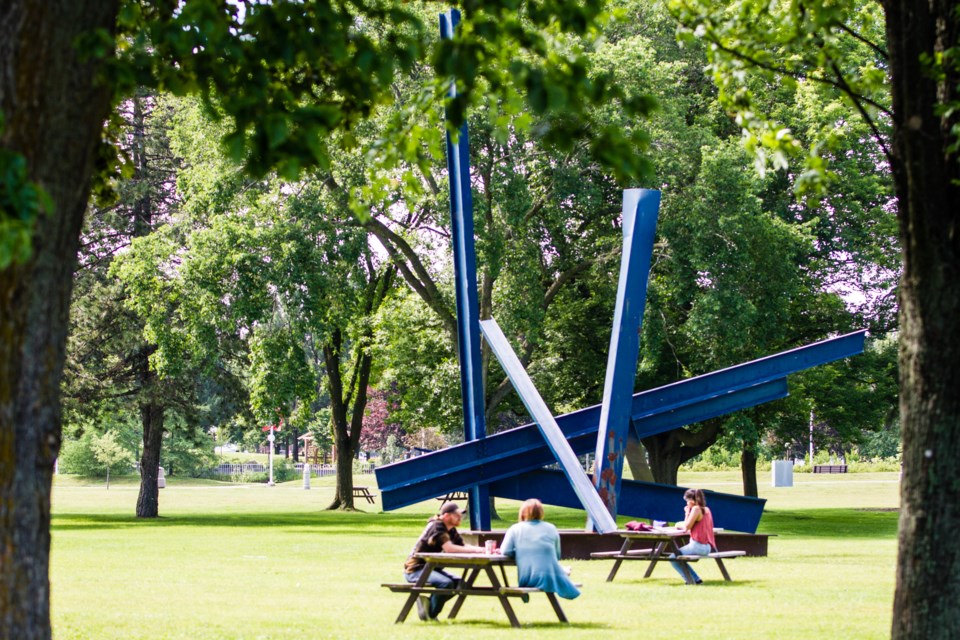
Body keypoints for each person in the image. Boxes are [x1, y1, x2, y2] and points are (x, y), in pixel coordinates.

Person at [403, 502, 485, 621]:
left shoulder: (450, 529)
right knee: (446, 584)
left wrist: (482, 550)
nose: (460, 517)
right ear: (446, 516)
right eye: (456, 515)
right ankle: (430, 615)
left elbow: (462, 546)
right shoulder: (437, 526)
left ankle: (427, 607)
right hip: (415, 570)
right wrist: (478, 552)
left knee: (461, 585)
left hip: (431, 569)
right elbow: (449, 548)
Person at [499, 498, 580, 600]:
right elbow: (557, 555)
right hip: (551, 576)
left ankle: (563, 571)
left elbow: (505, 551)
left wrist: (521, 551)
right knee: (556, 568)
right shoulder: (551, 528)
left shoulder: (515, 529)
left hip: (529, 578)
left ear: (523, 513)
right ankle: (563, 572)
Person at [669, 488, 717, 584]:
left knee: (673, 558)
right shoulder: (706, 509)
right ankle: (696, 580)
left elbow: (686, 527)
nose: (686, 503)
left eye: (686, 501)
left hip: (697, 546)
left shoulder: (696, 509)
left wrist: (687, 512)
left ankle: (690, 580)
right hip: (707, 546)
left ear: (691, 501)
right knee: (678, 557)